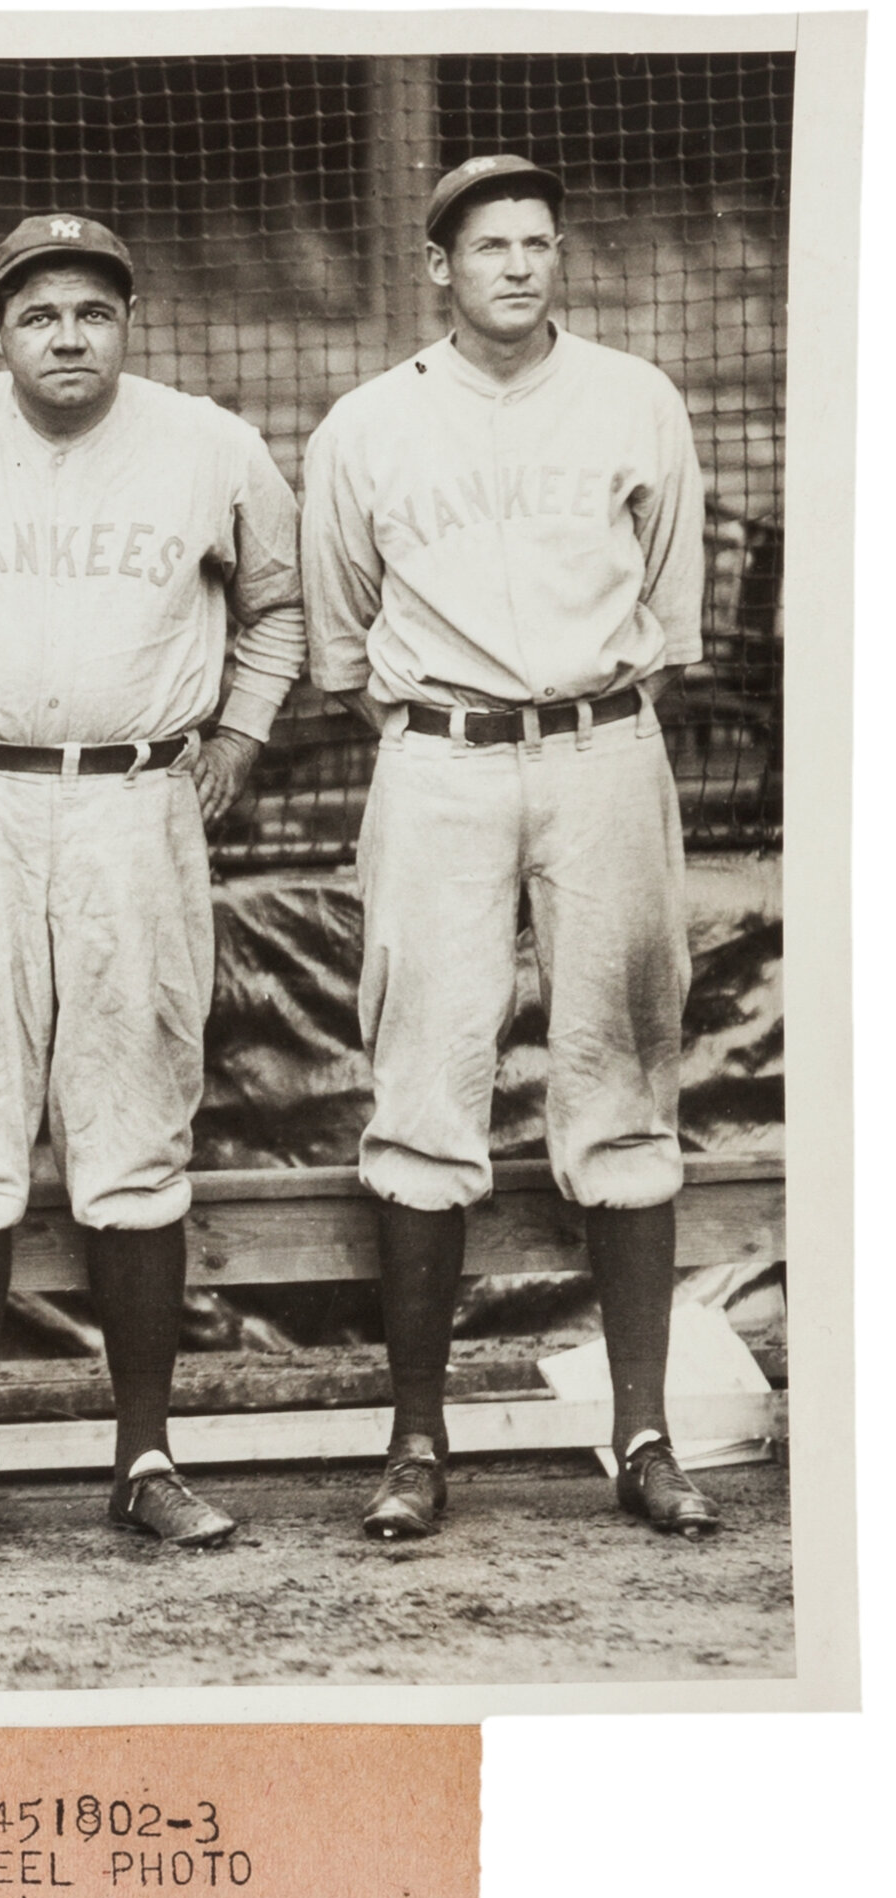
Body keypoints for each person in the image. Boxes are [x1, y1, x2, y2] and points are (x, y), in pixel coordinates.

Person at [0, 215, 305, 1558]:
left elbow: (279, 604)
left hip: (137, 799)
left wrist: (241, 734)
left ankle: (144, 1455)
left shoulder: (207, 442)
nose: (68, 336)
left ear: (129, 320)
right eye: (40, 314)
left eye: (94, 310)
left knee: (136, 1121)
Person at [302, 155, 720, 1541]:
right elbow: (345, 639)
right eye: (492, 246)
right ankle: (418, 1439)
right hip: (439, 759)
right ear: (441, 267)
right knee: (426, 1080)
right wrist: (454, 717)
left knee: (623, 1081)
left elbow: (669, 608)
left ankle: (645, 1431)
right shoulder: (366, 424)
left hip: (605, 748)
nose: (522, 266)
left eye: (541, 241)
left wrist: (576, 713)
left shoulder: (635, 398)